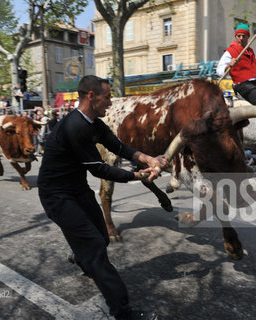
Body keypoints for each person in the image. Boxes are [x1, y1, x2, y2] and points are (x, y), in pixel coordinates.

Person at [38, 75, 166, 320]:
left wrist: (149, 159)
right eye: (107, 97)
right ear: (91, 97)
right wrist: (137, 176)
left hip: (76, 190)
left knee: (101, 237)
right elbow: (99, 169)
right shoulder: (75, 126)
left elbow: (118, 146)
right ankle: (123, 312)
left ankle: (80, 256)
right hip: (57, 197)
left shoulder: (94, 123)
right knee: (96, 248)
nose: (110, 102)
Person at [216, 22, 256, 159]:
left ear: (248, 37)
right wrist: (228, 65)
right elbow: (219, 70)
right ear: (236, 36)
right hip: (242, 85)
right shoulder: (230, 52)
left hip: (255, 84)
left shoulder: (250, 51)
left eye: (244, 36)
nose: (241, 38)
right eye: (239, 35)